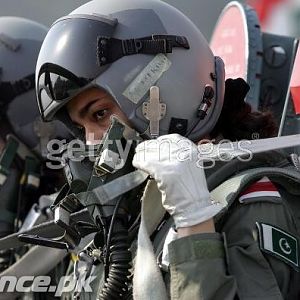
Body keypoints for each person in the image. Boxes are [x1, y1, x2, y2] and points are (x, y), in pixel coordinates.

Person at [35, 0, 300, 299]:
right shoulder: (130, 223)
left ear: (165, 86)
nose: (92, 142)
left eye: (99, 114)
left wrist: (194, 225)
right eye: (81, 128)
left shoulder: (254, 203)